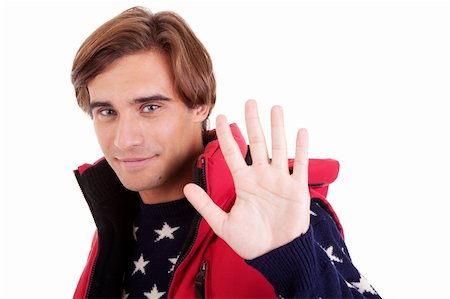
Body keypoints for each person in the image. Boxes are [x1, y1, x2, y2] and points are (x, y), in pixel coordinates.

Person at [71, 6, 380, 299]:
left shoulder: (280, 213)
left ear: (200, 103)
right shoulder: (115, 225)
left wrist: (292, 260)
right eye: (107, 112)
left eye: (150, 107)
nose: (125, 140)